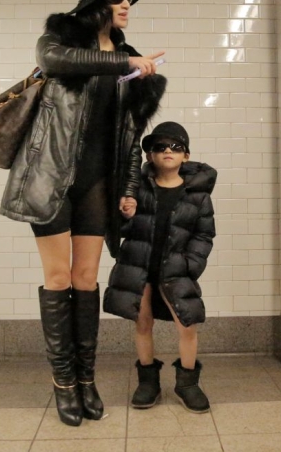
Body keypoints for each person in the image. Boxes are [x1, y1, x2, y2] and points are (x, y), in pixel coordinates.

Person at [0, 0, 166, 425]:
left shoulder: (128, 57)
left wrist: (129, 187)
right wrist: (124, 62)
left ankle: (87, 379)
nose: (126, 5)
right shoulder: (62, 42)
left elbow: (130, 138)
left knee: (85, 280)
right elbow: (54, 62)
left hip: (97, 184)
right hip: (49, 179)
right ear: (97, 3)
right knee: (57, 279)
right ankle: (63, 382)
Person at [103, 121, 217, 413]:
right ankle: (148, 381)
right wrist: (124, 214)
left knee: (187, 324)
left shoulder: (198, 195)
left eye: (176, 146)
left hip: (177, 270)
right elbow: (119, 230)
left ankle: (187, 383)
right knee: (143, 323)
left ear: (186, 156)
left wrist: (191, 264)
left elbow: (204, 235)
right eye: (159, 147)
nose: (168, 150)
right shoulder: (136, 189)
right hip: (139, 268)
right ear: (149, 156)